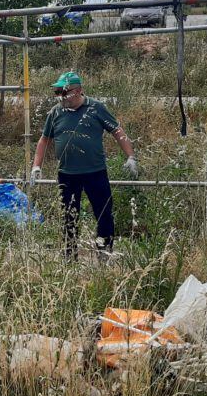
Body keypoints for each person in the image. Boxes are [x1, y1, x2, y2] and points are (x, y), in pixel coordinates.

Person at [30, 71, 138, 257]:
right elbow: (44, 140)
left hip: (95, 172)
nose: (60, 97)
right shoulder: (56, 112)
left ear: (79, 90)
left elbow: (117, 130)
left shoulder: (95, 108)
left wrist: (130, 156)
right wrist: (36, 166)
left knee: (103, 213)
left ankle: (105, 252)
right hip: (67, 174)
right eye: (57, 92)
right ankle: (69, 255)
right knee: (68, 216)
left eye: (64, 92)